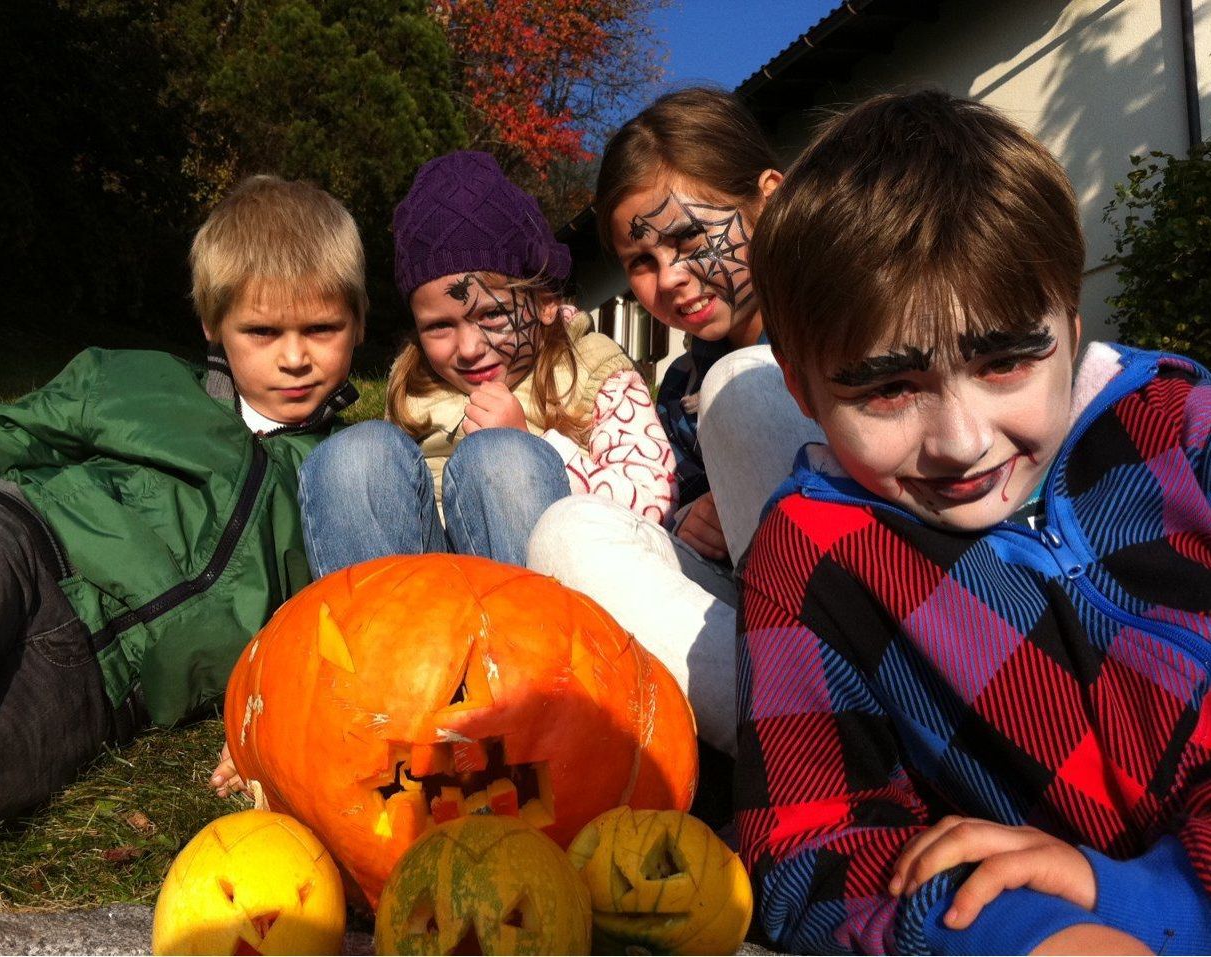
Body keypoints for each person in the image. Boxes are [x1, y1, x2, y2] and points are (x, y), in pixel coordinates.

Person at [737, 89, 1211, 955]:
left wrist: (1156, 894)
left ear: (1069, 328)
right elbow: (811, 846)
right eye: (886, 387)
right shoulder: (815, 560)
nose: (961, 442)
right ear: (801, 388)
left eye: (1004, 362)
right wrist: (1007, 926)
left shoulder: (1181, 428)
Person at [0, 175, 366, 856]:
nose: (294, 356)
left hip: (97, 683)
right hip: (23, 539)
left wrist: (274, 720)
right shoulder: (136, 383)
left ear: (358, 323)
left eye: (322, 329)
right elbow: (2, 431)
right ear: (214, 324)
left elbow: (328, 628)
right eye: (262, 330)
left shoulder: (344, 480)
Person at [528, 88, 821, 758]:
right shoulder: (683, 384)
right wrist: (691, 516)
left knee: (743, 391)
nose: (672, 278)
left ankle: (857, 731)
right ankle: (793, 746)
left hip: (875, 618)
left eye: (690, 238)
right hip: (762, 646)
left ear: (769, 199)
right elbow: (679, 510)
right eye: (641, 262)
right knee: (567, 531)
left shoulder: (852, 322)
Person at [296, 150, 676, 575]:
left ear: (546, 301)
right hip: (424, 605)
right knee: (356, 455)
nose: (469, 347)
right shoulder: (415, 385)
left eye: (492, 314)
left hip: (545, 602)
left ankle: (533, 638)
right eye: (439, 326)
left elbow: (653, 500)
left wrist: (541, 448)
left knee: (502, 457)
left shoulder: (594, 372)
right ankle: (370, 636)